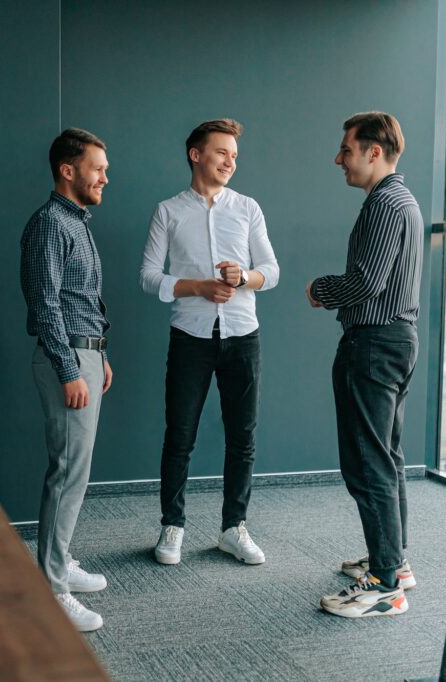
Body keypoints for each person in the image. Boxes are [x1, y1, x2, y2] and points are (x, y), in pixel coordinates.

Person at [140, 118, 279, 566]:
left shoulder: (248, 208)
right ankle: (172, 526)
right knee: (179, 435)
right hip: (190, 337)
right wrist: (197, 287)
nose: (230, 162)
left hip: (243, 335)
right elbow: (148, 277)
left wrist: (245, 277)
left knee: (243, 437)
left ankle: (233, 528)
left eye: (234, 155)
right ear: (196, 154)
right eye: (222, 152)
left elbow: (271, 272)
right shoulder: (168, 211)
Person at [306, 112, 423, 618]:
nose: (339, 159)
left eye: (347, 149)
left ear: (374, 151)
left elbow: (365, 282)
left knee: (368, 462)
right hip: (397, 340)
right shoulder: (405, 201)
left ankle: (383, 586)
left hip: (374, 344)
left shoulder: (383, 204)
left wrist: (319, 290)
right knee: (387, 457)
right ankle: (394, 564)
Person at [20, 128, 114, 632]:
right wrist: (69, 367)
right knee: (66, 472)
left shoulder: (76, 223)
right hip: (68, 359)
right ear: (68, 170)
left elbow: (83, 300)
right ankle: (52, 587)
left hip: (86, 355)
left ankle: (60, 562)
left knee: (75, 472)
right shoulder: (48, 225)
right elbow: (47, 303)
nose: (105, 176)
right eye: (98, 167)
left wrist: (101, 355)